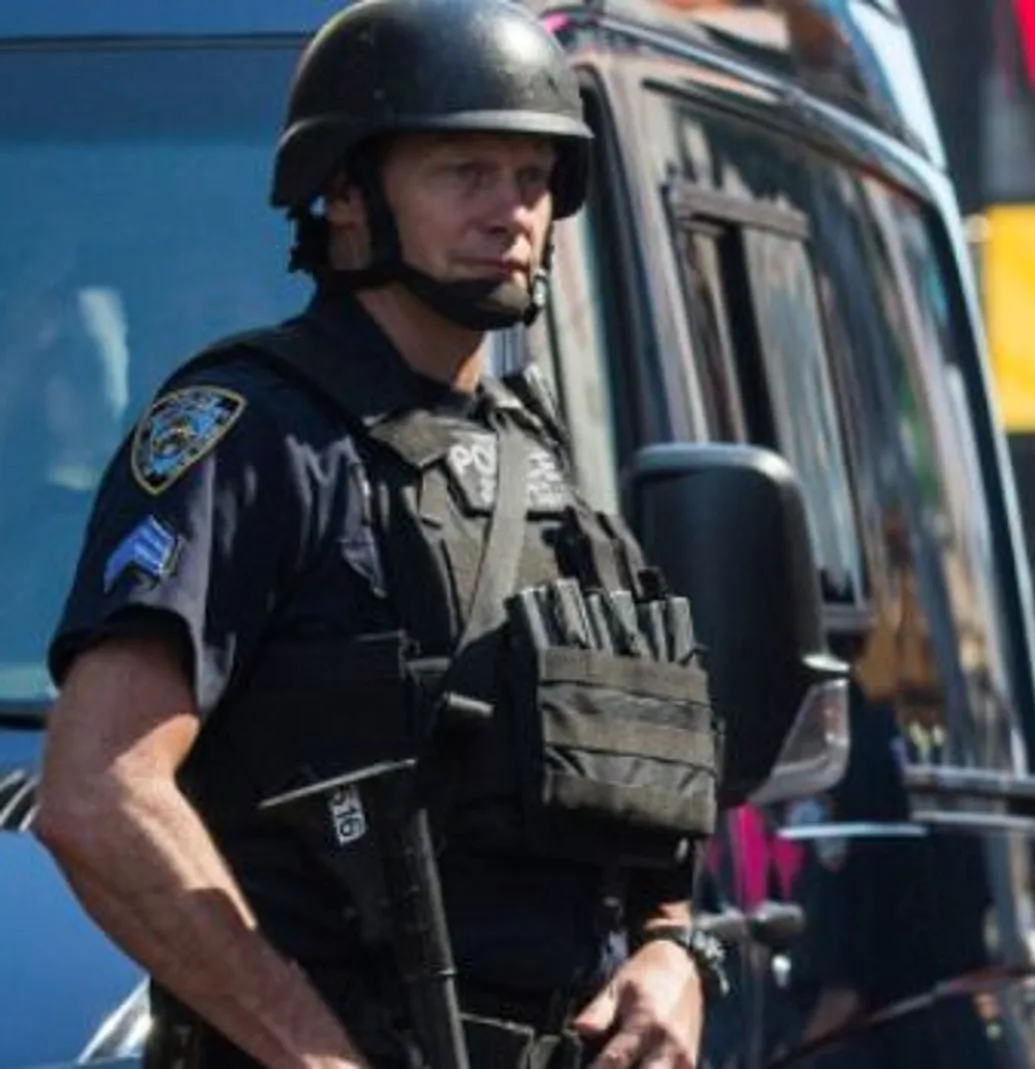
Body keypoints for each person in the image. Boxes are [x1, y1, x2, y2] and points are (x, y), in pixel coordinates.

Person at [32, 2, 727, 1067]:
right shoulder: (257, 436)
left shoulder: (543, 466)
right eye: (465, 172)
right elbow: (97, 793)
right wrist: (313, 1053)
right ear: (348, 194)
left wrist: (674, 950)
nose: (511, 211)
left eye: (533, 177)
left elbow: (633, 810)